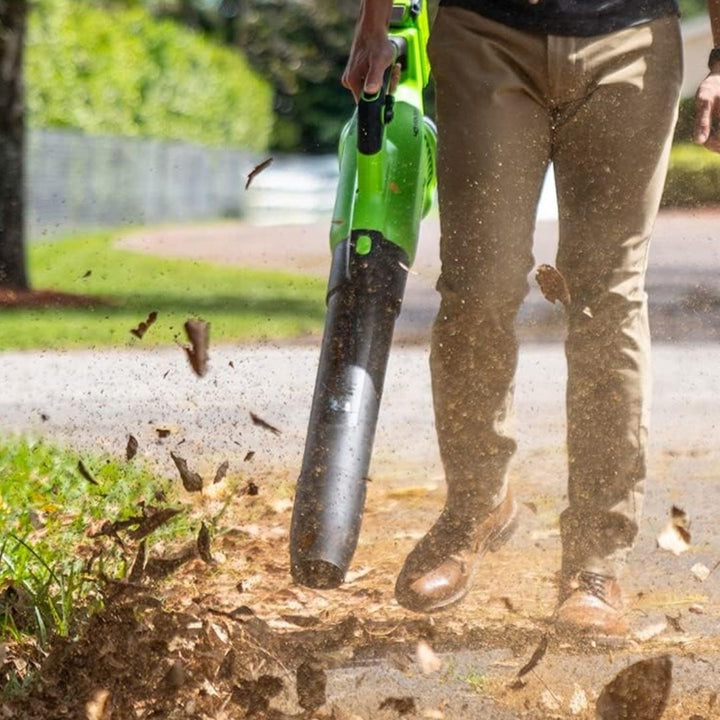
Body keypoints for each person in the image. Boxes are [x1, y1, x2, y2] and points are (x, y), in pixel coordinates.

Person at [342, 0, 720, 636]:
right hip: (487, 32)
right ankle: (475, 506)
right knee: (478, 286)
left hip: (630, 41)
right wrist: (374, 24)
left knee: (607, 299)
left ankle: (597, 563)